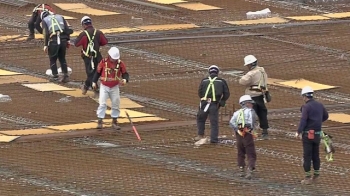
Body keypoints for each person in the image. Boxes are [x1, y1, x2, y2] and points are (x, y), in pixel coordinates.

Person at [295, 86, 328, 185]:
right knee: (316, 155)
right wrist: (317, 122)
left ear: (305, 96)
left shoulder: (306, 107)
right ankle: (316, 175)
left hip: (308, 135)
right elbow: (326, 116)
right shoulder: (320, 105)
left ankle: (308, 177)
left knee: (307, 156)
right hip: (317, 134)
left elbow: (303, 120)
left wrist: (299, 131)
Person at [92, 47, 129, 129]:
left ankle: (115, 121)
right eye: (113, 58)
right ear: (109, 56)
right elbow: (97, 72)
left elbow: (125, 73)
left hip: (114, 87)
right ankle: (100, 121)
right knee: (102, 103)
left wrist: (125, 79)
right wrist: (94, 82)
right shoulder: (103, 62)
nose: (114, 60)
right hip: (104, 86)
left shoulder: (120, 63)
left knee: (116, 103)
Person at [74, 16, 108, 96]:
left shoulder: (83, 34)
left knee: (90, 74)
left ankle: (91, 88)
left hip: (88, 57)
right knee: (97, 72)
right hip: (97, 56)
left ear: (83, 24)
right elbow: (105, 42)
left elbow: (76, 44)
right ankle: (88, 87)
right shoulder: (98, 32)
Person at [195, 65, 230, 143]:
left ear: (209, 72)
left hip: (204, 103)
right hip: (215, 104)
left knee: (200, 119)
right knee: (214, 122)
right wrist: (221, 102)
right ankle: (214, 139)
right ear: (217, 72)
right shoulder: (221, 81)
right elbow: (226, 94)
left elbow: (200, 93)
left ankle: (200, 135)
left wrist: (204, 99)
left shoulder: (204, 81)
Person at [239, 55, 270, 140]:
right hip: (261, 96)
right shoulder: (262, 70)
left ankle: (251, 132)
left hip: (251, 97)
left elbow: (242, 82)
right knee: (262, 114)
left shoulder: (251, 73)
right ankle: (265, 132)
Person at [229, 95, 257, 180]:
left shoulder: (237, 112)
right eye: (250, 103)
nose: (252, 104)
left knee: (240, 152)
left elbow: (231, 122)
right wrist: (252, 131)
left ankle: (241, 169)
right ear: (247, 103)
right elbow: (252, 123)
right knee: (251, 152)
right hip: (248, 133)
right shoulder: (251, 111)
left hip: (239, 134)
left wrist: (238, 130)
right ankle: (250, 169)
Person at [42, 11, 73, 83]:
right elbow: (67, 29)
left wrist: (45, 45)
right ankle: (65, 76)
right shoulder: (60, 17)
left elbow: (45, 33)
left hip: (54, 40)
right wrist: (68, 40)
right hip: (63, 40)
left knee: (52, 59)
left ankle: (55, 76)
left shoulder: (45, 20)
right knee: (62, 58)